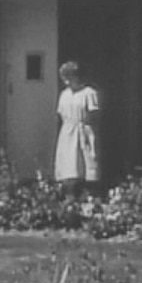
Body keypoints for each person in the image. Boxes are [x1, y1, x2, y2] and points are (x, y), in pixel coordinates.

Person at [54, 61, 100, 202]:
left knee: (86, 162)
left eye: (70, 77)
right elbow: (61, 114)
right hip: (68, 131)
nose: (67, 82)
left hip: (83, 129)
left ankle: (90, 194)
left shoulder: (89, 93)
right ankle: (69, 195)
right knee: (69, 163)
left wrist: (86, 130)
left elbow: (93, 114)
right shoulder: (64, 94)